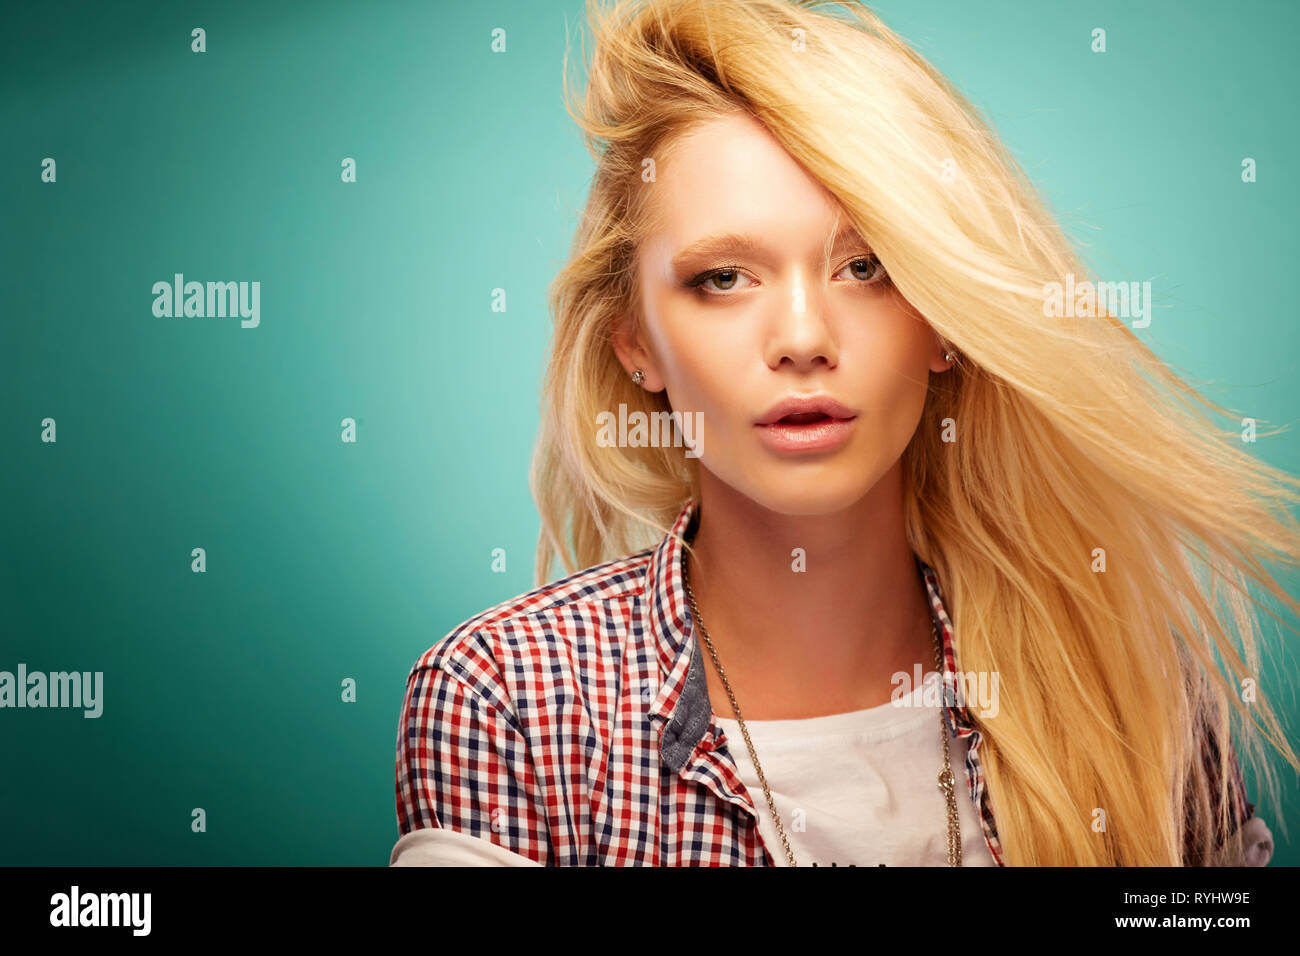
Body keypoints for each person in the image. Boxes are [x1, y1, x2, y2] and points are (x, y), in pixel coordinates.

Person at [391, 0, 1296, 866]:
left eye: (865, 266)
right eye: (722, 278)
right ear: (636, 343)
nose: (803, 339)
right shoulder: (506, 700)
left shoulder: (1130, 687)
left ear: (944, 318)